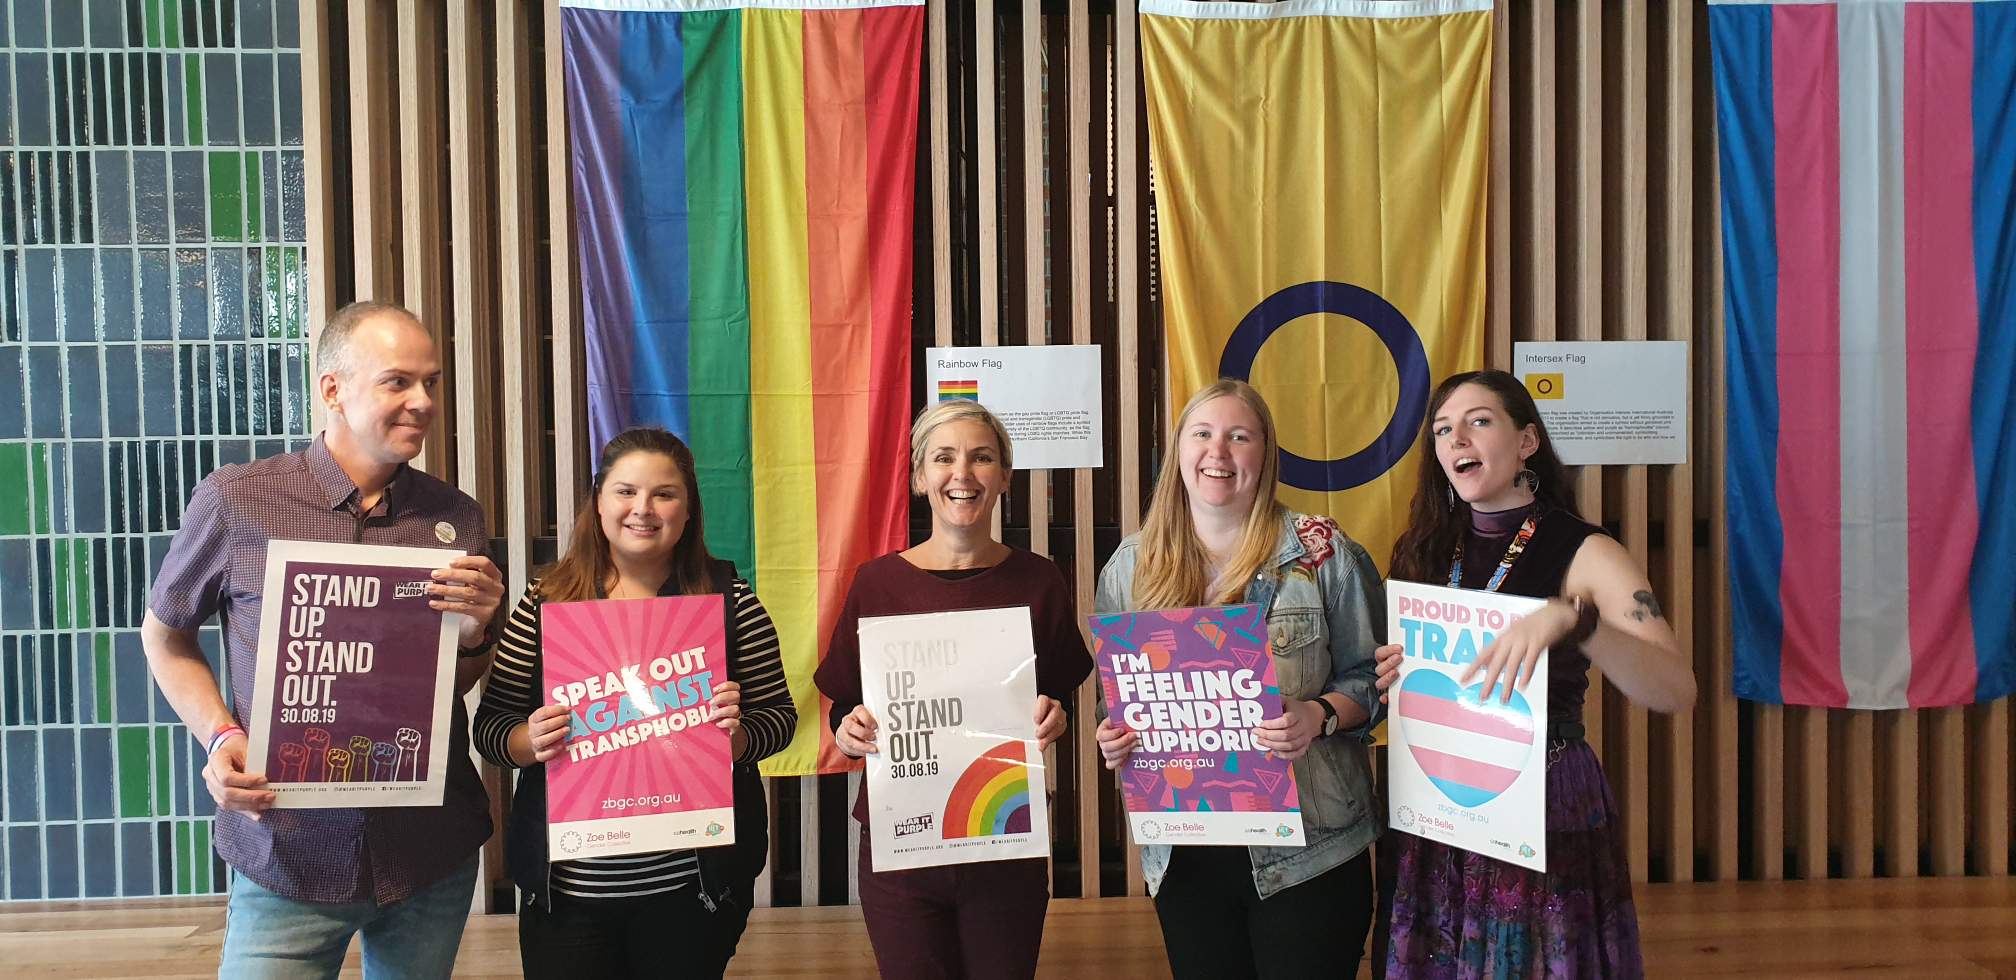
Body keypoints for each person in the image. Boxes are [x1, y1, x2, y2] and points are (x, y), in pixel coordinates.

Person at [141, 300, 506, 979]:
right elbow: (166, 637)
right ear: (332, 389)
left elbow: (443, 689)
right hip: (288, 850)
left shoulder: (454, 518)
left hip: (428, 850)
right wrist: (221, 737)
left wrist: (479, 631)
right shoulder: (236, 499)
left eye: (432, 382)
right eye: (398, 381)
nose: (423, 401)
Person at [1375, 370, 1696, 979]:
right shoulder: (1420, 550)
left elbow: (1676, 690)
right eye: (1443, 429)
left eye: (1478, 421)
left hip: (1541, 800)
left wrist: (1580, 623)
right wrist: (1389, 672)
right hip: (1437, 801)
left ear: (1527, 442)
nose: (1456, 438)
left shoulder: (1587, 551)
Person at [471, 427, 795, 979]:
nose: (643, 509)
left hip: (691, 888)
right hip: (568, 891)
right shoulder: (546, 600)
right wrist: (531, 740)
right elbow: (492, 728)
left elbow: (780, 720)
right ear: (598, 501)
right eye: (626, 491)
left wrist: (736, 736)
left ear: (688, 510)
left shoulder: (730, 600)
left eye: (664, 494)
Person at [1093, 379, 1384, 980]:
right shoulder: (1130, 566)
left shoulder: (1322, 554)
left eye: (1238, 436)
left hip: (1310, 849)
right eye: (1201, 434)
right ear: (1178, 451)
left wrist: (1320, 714)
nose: (1217, 452)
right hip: (1185, 851)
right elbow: (1115, 700)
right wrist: (1114, 735)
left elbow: (1372, 682)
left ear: (1265, 455)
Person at [813, 400, 1093, 980]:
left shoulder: (1040, 580)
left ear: (1005, 476)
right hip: (902, 847)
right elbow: (843, 699)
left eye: (981, 457)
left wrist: (1055, 716)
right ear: (920, 477)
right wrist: (849, 727)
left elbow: (1060, 692)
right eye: (944, 458)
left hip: (1004, 839)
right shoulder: (876, 583)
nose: (962, 474)